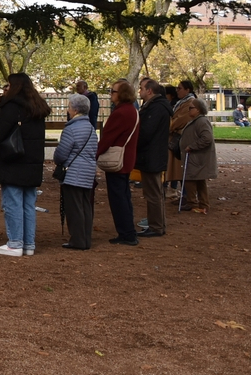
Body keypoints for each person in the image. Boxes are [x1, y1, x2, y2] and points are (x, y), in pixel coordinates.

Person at [0, 72, 50, 256]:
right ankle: (28, 243)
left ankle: (15, 243)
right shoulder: (37, 108)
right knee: (28, 204)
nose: (5, 89)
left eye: (7, 85)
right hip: (32, 162)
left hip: (13, 160)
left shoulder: (11, 107)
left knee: (13, 202)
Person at [53, 93, 98, 250]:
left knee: (74, 208)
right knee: (85, 207)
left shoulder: (71, 129)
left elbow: (61, 154)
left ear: (75, 109)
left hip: (73, 173)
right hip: (87, 172)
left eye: (69, 107)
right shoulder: (91, 128)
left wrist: (57, 160)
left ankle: (77, 240)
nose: (68, 110)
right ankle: (85, 239)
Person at [99, 79, 140, 245]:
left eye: (113, 91)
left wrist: (95, 154)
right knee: (123, 196)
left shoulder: (121, 112)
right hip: (126, 158)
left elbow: (108, 137)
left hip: (118, 160)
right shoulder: (132, 110)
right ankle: (128, 231)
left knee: (118, 198)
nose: (111, 94)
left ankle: (126, 233)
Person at [135, 80, 172, 238]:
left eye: (142, 88)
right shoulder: (156, 106)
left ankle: (156, 226)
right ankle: (157, 224)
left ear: (149, 91)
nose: (140, 91)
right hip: (153, 155)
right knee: (154, 192)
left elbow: (146, 132)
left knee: (153, 193)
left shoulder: (156, 108)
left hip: (151, 155)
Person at [174, 98, 218, 214]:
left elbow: (207, 138)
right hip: (194, 157)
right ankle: (201, 204)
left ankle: (193, 202)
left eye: (191, 108)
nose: (189, 110)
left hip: (196, 157)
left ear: (198, 110)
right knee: (198, 180)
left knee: (191, 179)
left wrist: (192, 146)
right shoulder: (195, 120)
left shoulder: (202, 121)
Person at [166, 79, 197, 201]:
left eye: (180, 88)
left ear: (187, 90)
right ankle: (184, 195)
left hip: (184, 137)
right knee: (181, 168)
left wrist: (170, 126)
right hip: (178, 137)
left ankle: (187, 196)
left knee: (184, 168)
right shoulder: (182, 102)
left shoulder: (190, 102)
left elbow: (181, 119)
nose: (177, 90)